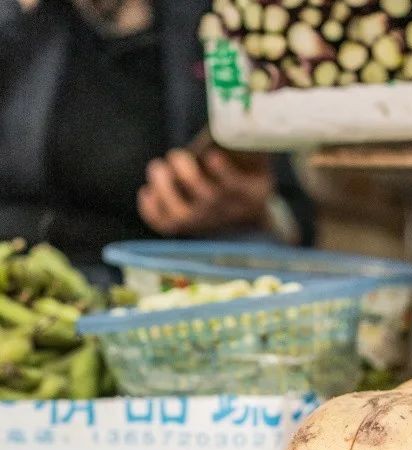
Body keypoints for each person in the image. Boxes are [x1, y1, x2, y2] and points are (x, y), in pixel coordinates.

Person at [0, 0, 310, 269]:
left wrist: (255, 209)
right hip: (22, 272)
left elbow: (294, 217)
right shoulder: (28, 26)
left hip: (157, 283)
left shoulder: (214, 24)